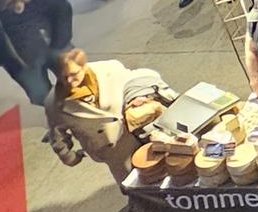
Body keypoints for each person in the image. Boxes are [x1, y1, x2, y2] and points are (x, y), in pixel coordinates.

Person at [45, 47, 173, 188]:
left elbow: (137, 77)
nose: (69, 81)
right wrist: (69, 157)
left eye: (74, 74)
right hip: (110, 150)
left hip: (135, 131)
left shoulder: (110, 69)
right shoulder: (54, 103)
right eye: (63, 76)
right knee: (133, 185)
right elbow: (57, 135)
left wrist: (138, 96)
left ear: (83, 65)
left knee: (163, 169)